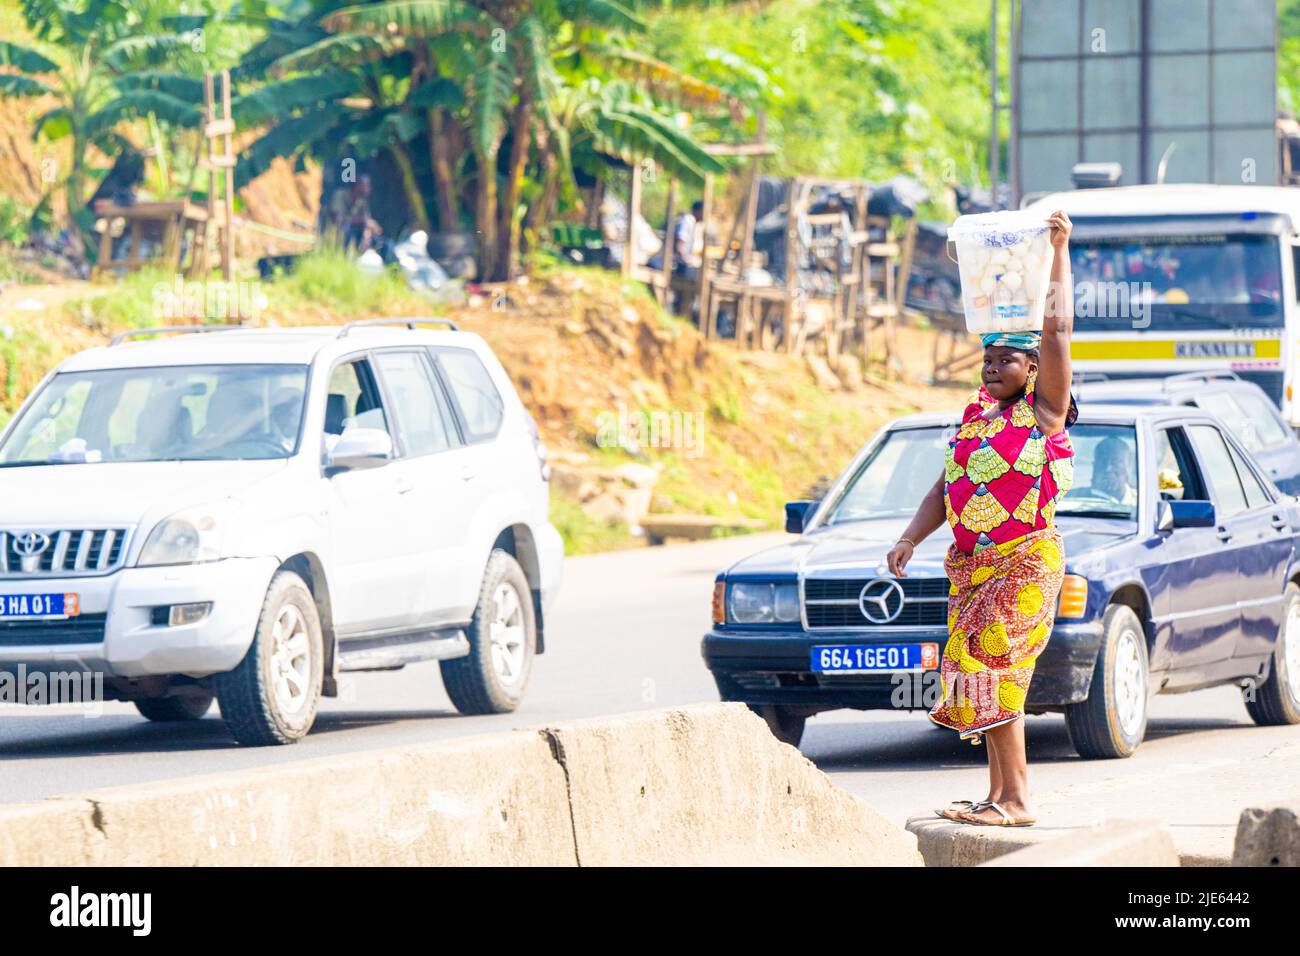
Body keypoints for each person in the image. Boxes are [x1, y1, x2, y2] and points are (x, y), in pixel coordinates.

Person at [886, 209, 1076, 828]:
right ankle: (997, 797)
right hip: (973, 568)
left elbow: (1057, 336)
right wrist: (911, 536)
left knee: (997, 670)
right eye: (987, 359)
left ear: (1031, 373)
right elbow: (948, 487)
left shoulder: (1040, 417)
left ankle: (1018, 802)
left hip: (1024, 562)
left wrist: (1058, 253)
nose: (994, 368)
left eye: (1007, 361)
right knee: (975, 673)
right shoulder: (976, 417)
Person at [1089, 435, 1136, 506]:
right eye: (1102, 462)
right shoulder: (1075, 503)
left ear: (1128, 468)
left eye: (1115, 463)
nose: (1108, 469)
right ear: (1094, 468)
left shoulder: (1142, 504)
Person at [672, 200, 705, 280]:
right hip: (678, 263)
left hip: (684, 261)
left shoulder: (695, 224)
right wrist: (687, 259)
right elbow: (680, 245)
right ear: (698, 211)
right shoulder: (686, 221)